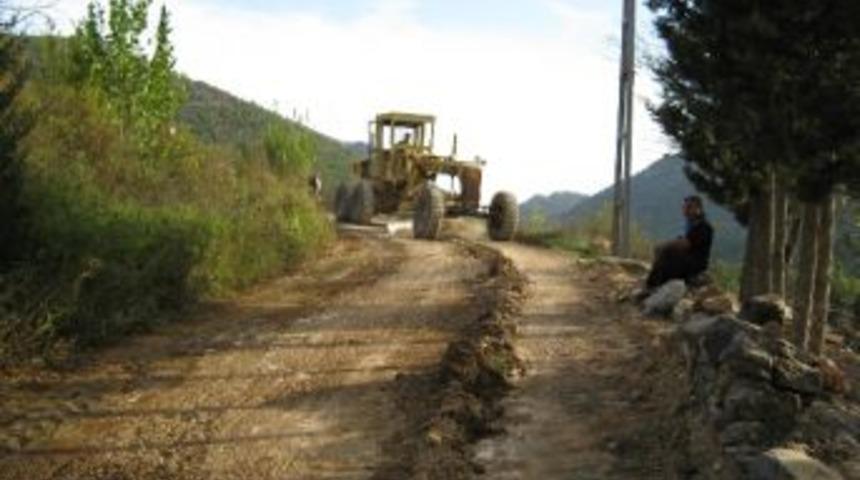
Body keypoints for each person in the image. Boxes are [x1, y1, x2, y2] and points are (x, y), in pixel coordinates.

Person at [644, 195, 714, 290]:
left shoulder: (703, 226)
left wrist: (664, 246)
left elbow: (685, 244)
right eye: (685, 207)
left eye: (689, 207)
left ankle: (653, 286)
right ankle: (654, 285)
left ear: (699, 209)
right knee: (666, 255)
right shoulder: (691, 224)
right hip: (688, 259)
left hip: (696, 264)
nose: (686, 210)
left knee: (666, 255)